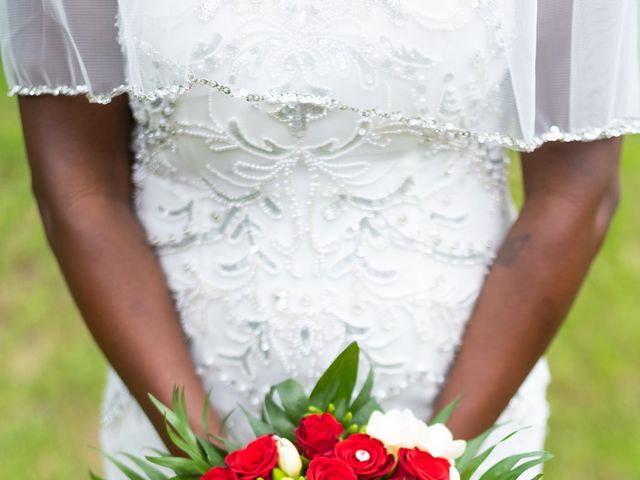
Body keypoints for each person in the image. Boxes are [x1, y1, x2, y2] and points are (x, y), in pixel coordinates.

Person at [2, 1, 638, 478]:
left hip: (464, 400)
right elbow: (82, 193)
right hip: (178, 396)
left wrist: (428, 461)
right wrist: (212, 461)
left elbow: (575, 190)